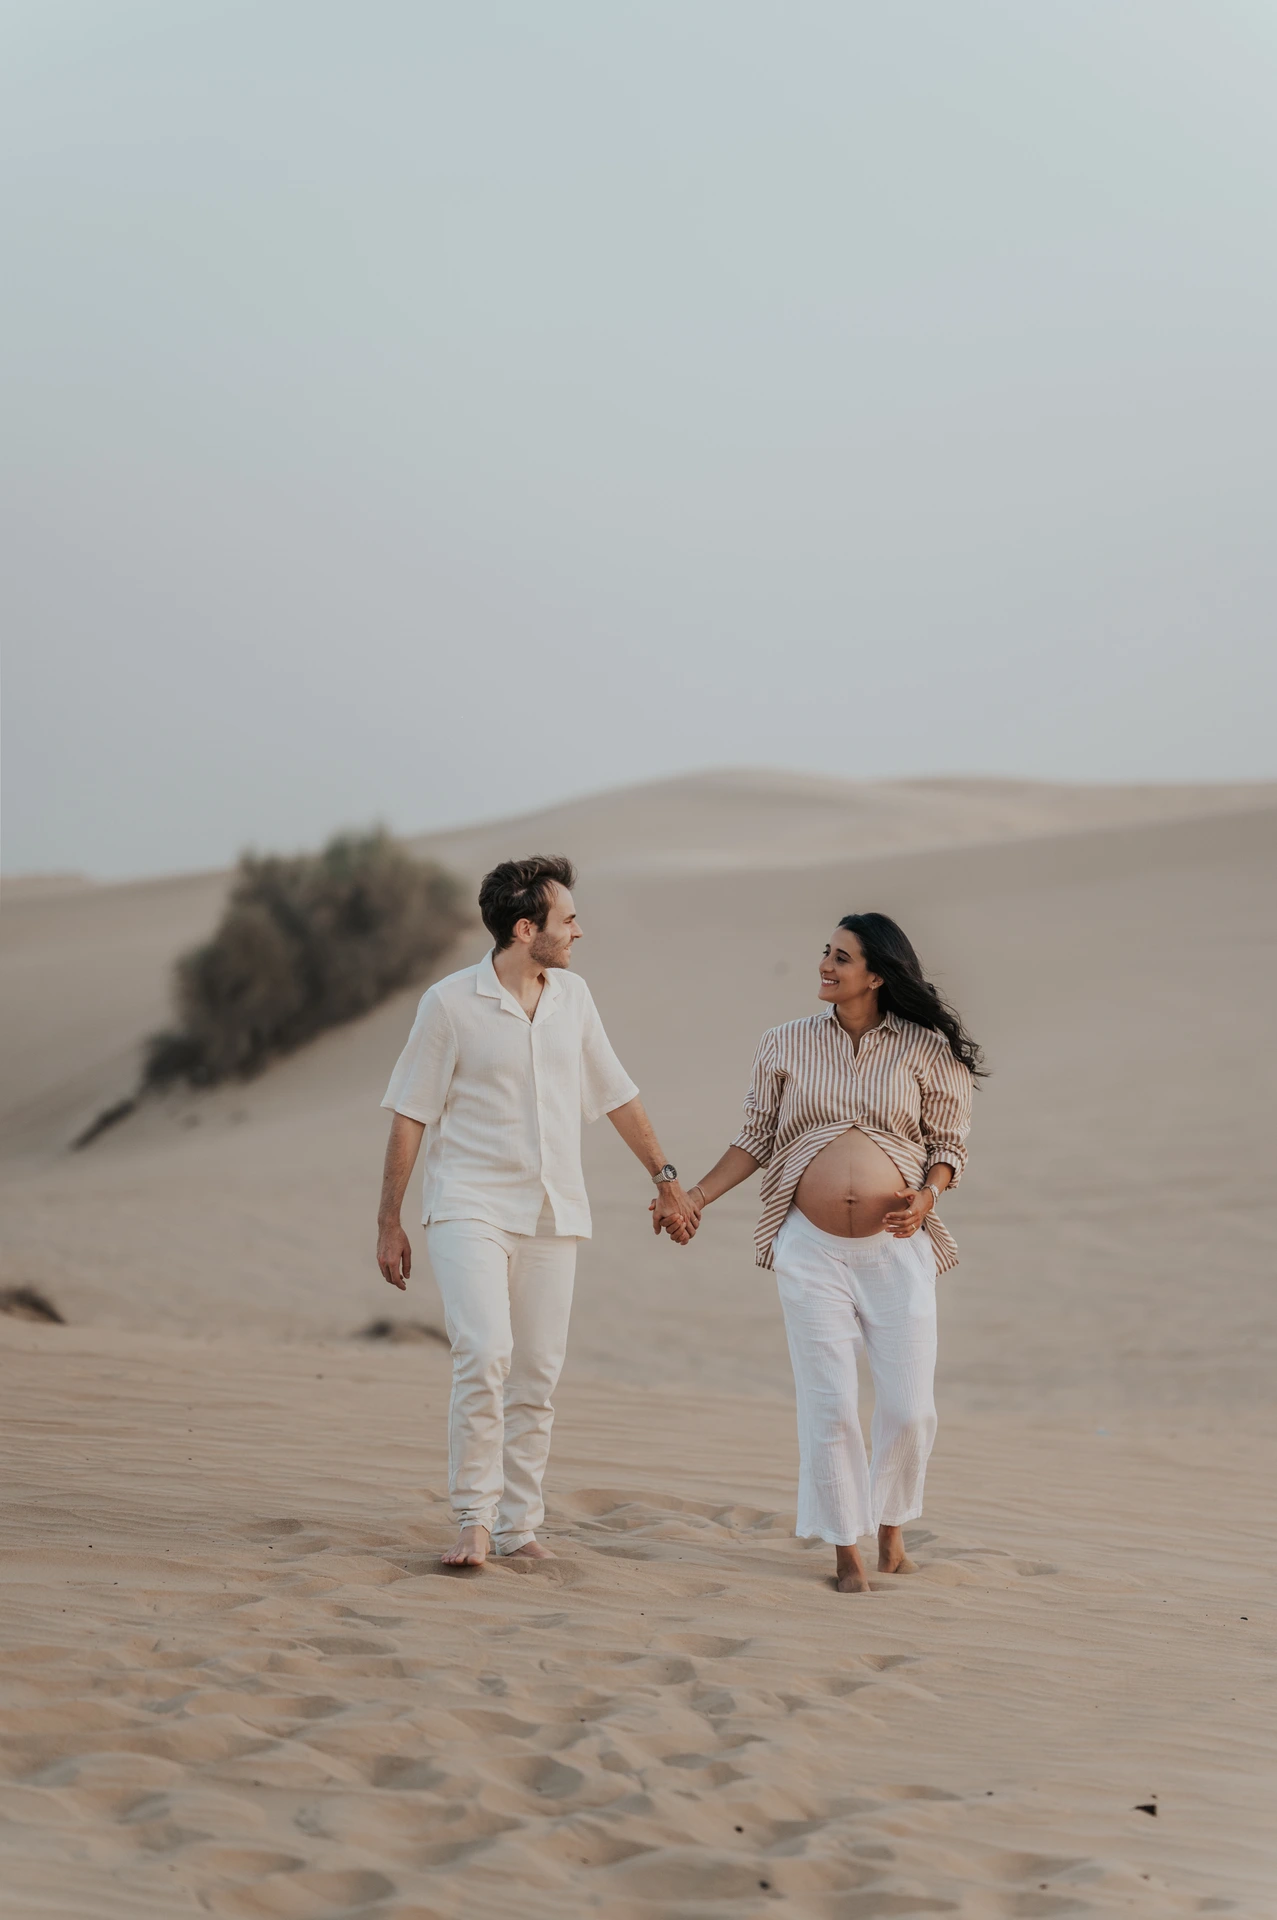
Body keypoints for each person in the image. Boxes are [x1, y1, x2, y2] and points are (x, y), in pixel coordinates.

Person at [376, 855, 698, 1569]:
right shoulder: (448, 1004)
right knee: (484, 1354)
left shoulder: (573, 999)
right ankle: (473, 1519)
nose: (579, 931)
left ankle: (521, 1525)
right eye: (567, 919)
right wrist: (389, 1220)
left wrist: (666, 1179)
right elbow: (409, 1114)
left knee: (537, 1375)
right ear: (526, 929)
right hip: (468, 1205)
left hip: (556, 1210)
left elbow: (616, 1093)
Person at [664, 912, 982, 1594]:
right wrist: (692, 1197)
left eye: (840, 957)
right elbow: (753, 1139)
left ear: (876, 974)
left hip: (896, 1250)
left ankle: (892, 1529)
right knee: (830, 1403)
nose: (824, 965)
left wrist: (927, 1196)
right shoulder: (782, 1044)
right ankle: (847, 1550)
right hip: (808, 1250)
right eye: (824, 952)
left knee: (908, 1406)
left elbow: (947, 1146)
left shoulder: (925, 1050)